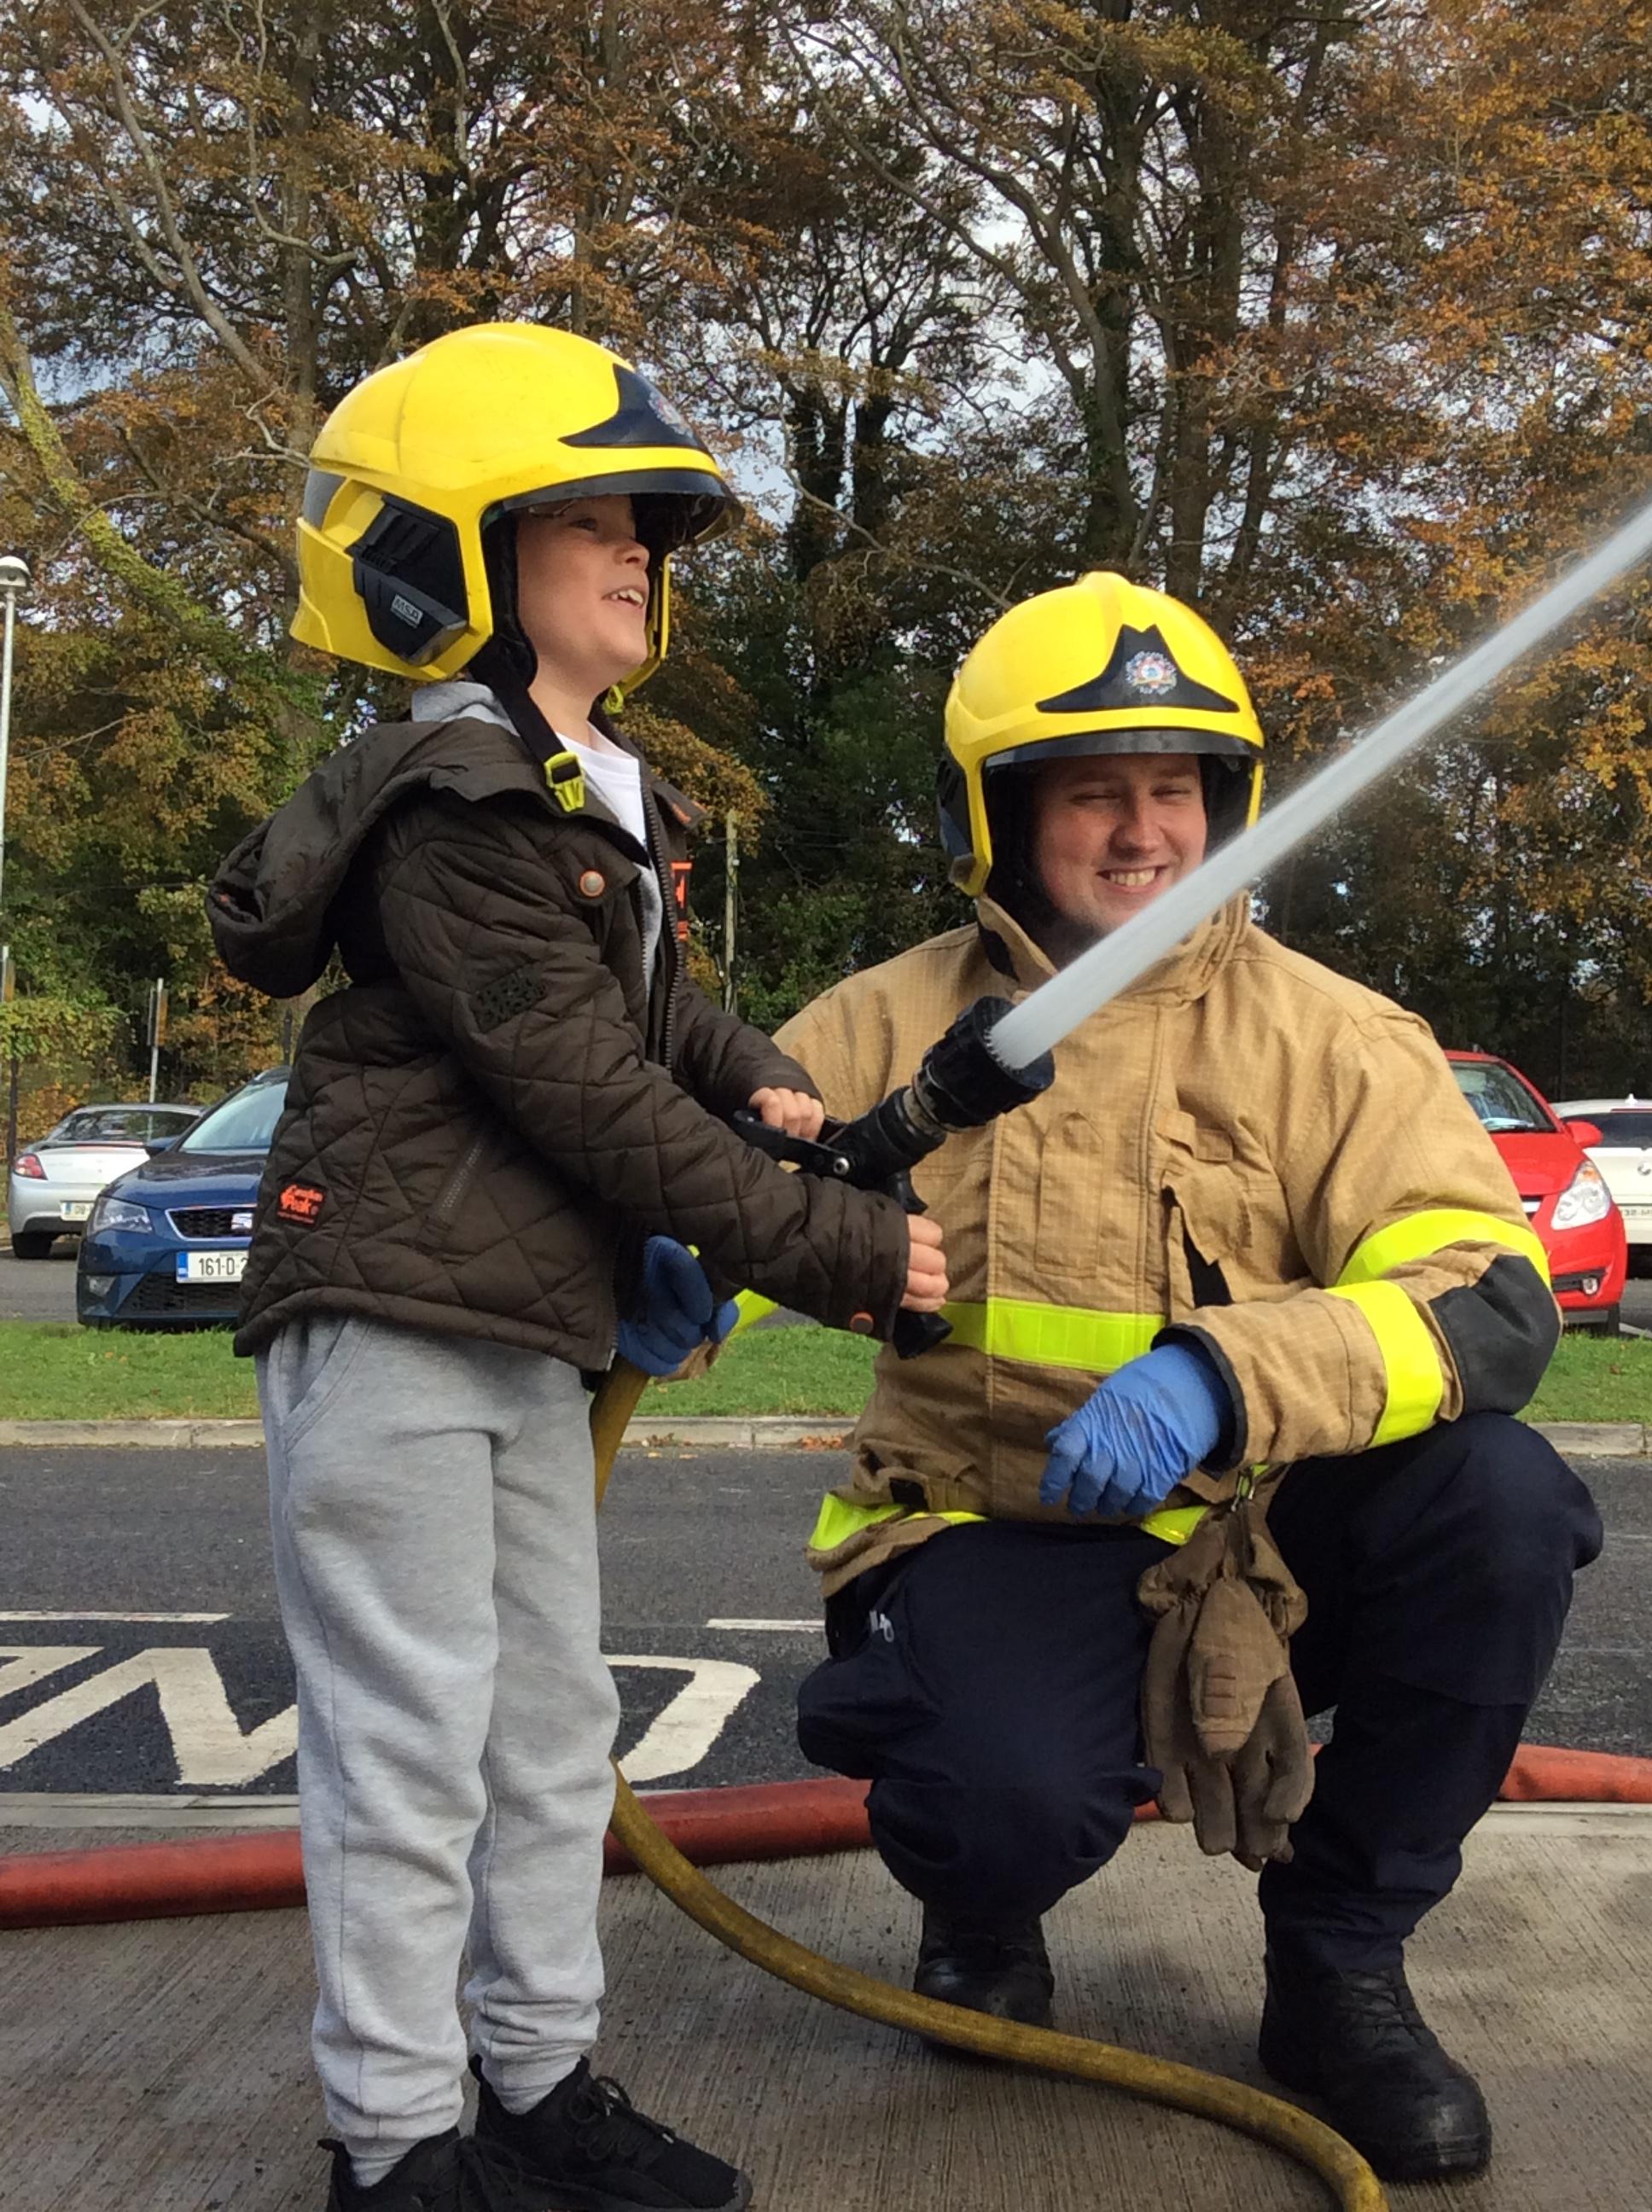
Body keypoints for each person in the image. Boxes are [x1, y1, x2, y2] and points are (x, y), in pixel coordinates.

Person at [208, 321, 946, 2212]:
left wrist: (787, 1100)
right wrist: (839, 1247)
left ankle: (532, 2085)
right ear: (454, 554)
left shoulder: (585, 792)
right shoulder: (449, 797)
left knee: (546, 1733)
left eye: (645, 525)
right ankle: (395, 2144)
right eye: (592, 519)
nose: (638, 551)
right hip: (385, 1323)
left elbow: (671, 1029)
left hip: (522, 1333)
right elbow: (588, 1087)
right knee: (409, 1750)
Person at [774, 571, 1603, 2186]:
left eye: (1176, 789)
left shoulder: (1338, 1038)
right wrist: (666, 1254)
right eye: (1095, 792)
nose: (1143, 830)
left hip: (1272, 1539)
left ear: (1228, 805)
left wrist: (1229, 1375)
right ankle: (982, 1888)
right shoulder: (874, 1030)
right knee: (997, 1791)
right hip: (996, 1534)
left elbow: (1491, 1303)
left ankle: (1341, 1966)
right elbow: (715, 1202)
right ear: (1006, 814)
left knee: (1506, 1506)